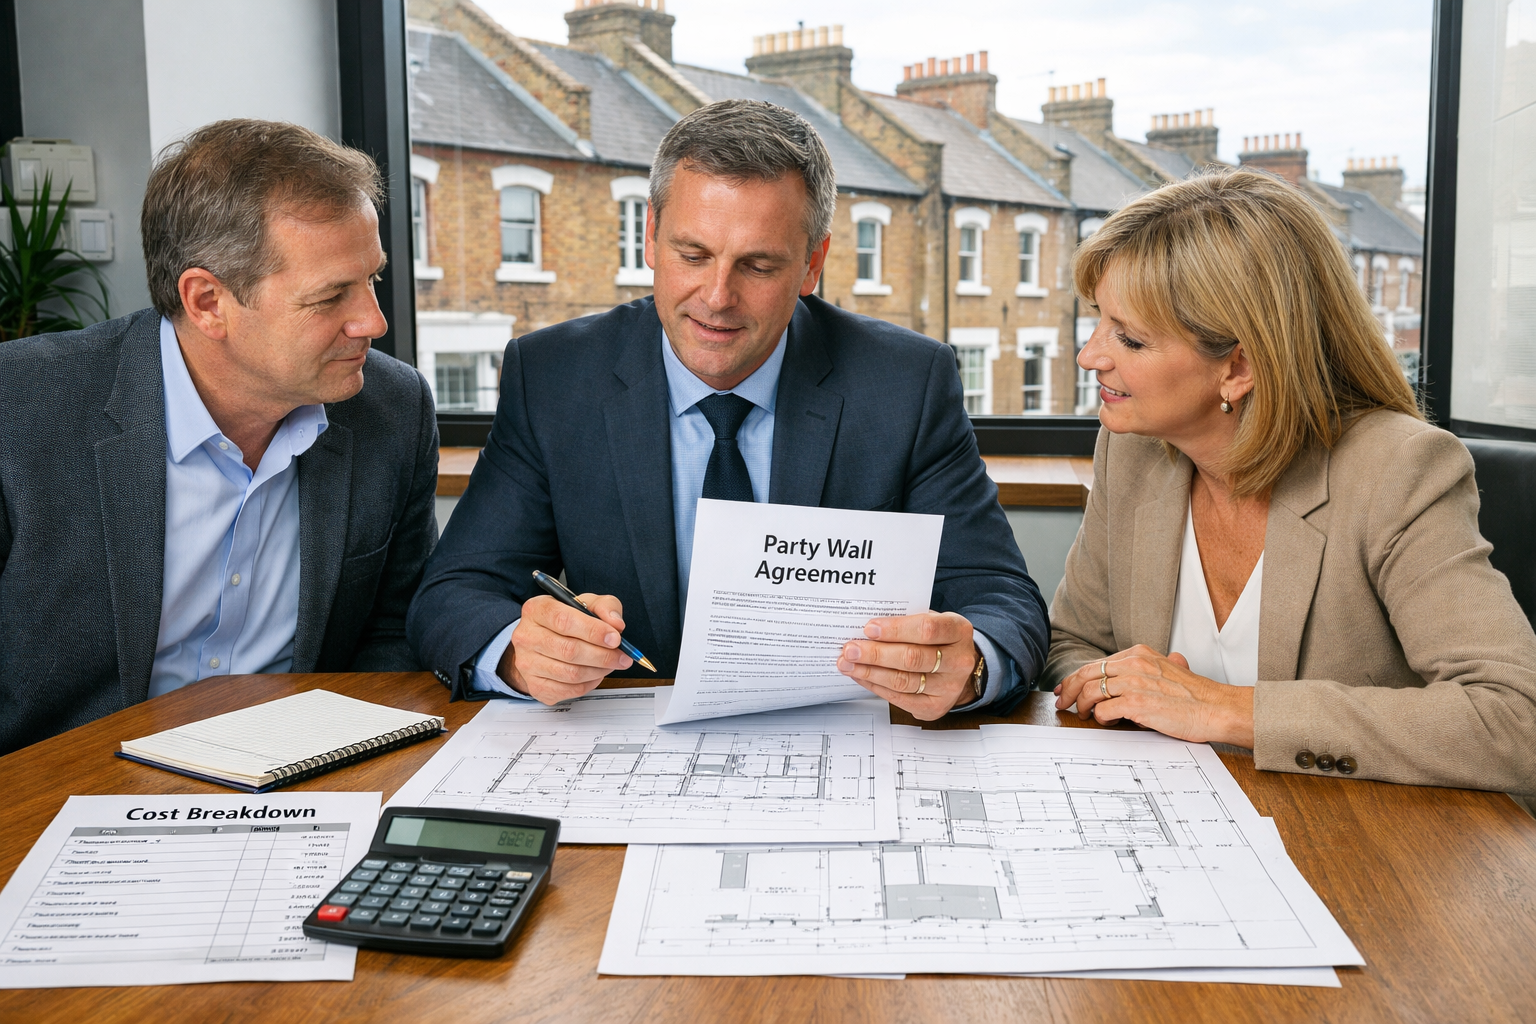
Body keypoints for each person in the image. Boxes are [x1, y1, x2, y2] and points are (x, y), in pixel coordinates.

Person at [407, 99, 1047, 719]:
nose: (717, 297)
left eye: (758, 265)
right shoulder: (553, 376)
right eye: (692, 255)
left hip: (836, 735)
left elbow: (1002, 598)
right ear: (650, 237)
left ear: (812, 265)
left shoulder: (906, 383)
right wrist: (518, 655)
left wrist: (971, 667)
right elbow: (453, 594)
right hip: (627, 738)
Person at [1048, 168, 1536, 793]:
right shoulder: (1133, 450)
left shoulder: (1397, 470)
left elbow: (1513, 719)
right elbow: (1074, 643)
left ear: (1239, 367)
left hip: (1361, 833)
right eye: (1099, 320)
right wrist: (1115, 693)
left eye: (1130, 339)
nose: (1090, 355)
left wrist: (1225, 708)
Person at [0, 119, 439, 755]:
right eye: (330, 297)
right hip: (64, 786)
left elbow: (395, 631)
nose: (373, 320)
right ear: (207, 302)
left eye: (371, 278)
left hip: (301, 776)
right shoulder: (19, 410)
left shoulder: (392, 410)